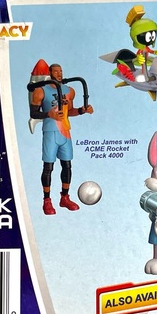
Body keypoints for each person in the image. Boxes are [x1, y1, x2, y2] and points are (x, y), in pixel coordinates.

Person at [29, 62, 93, 215]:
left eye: (61, 71)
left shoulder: (69, 91)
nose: (59, 74)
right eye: (56, 71)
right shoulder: (40, 91)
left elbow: (69, 111)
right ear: (49, 73)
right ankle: (47, 200)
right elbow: (33, 113)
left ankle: (64, 198)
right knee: (48, 167)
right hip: (50, 132)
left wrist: (82, 110)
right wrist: (48, 114)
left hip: (65, 132)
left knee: (67, 165)